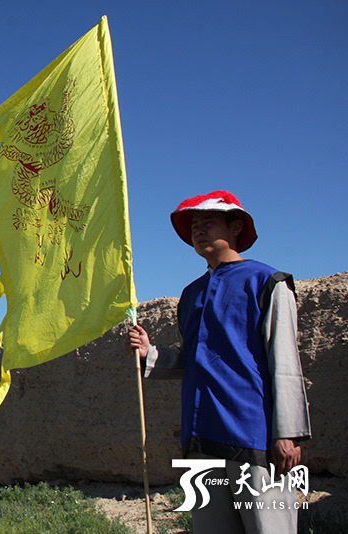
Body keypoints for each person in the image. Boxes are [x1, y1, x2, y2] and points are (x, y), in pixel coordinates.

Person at [125, 191, 311, 534]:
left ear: (235, 226)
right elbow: (196, 360)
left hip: (255, 437)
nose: (198, 229)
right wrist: (149, 353)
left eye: (208, 221)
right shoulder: (192, 294)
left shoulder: (267, 282)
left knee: (270, 529)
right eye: (194, 224)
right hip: (201, 437)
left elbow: (284, 361)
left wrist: (288, 433)